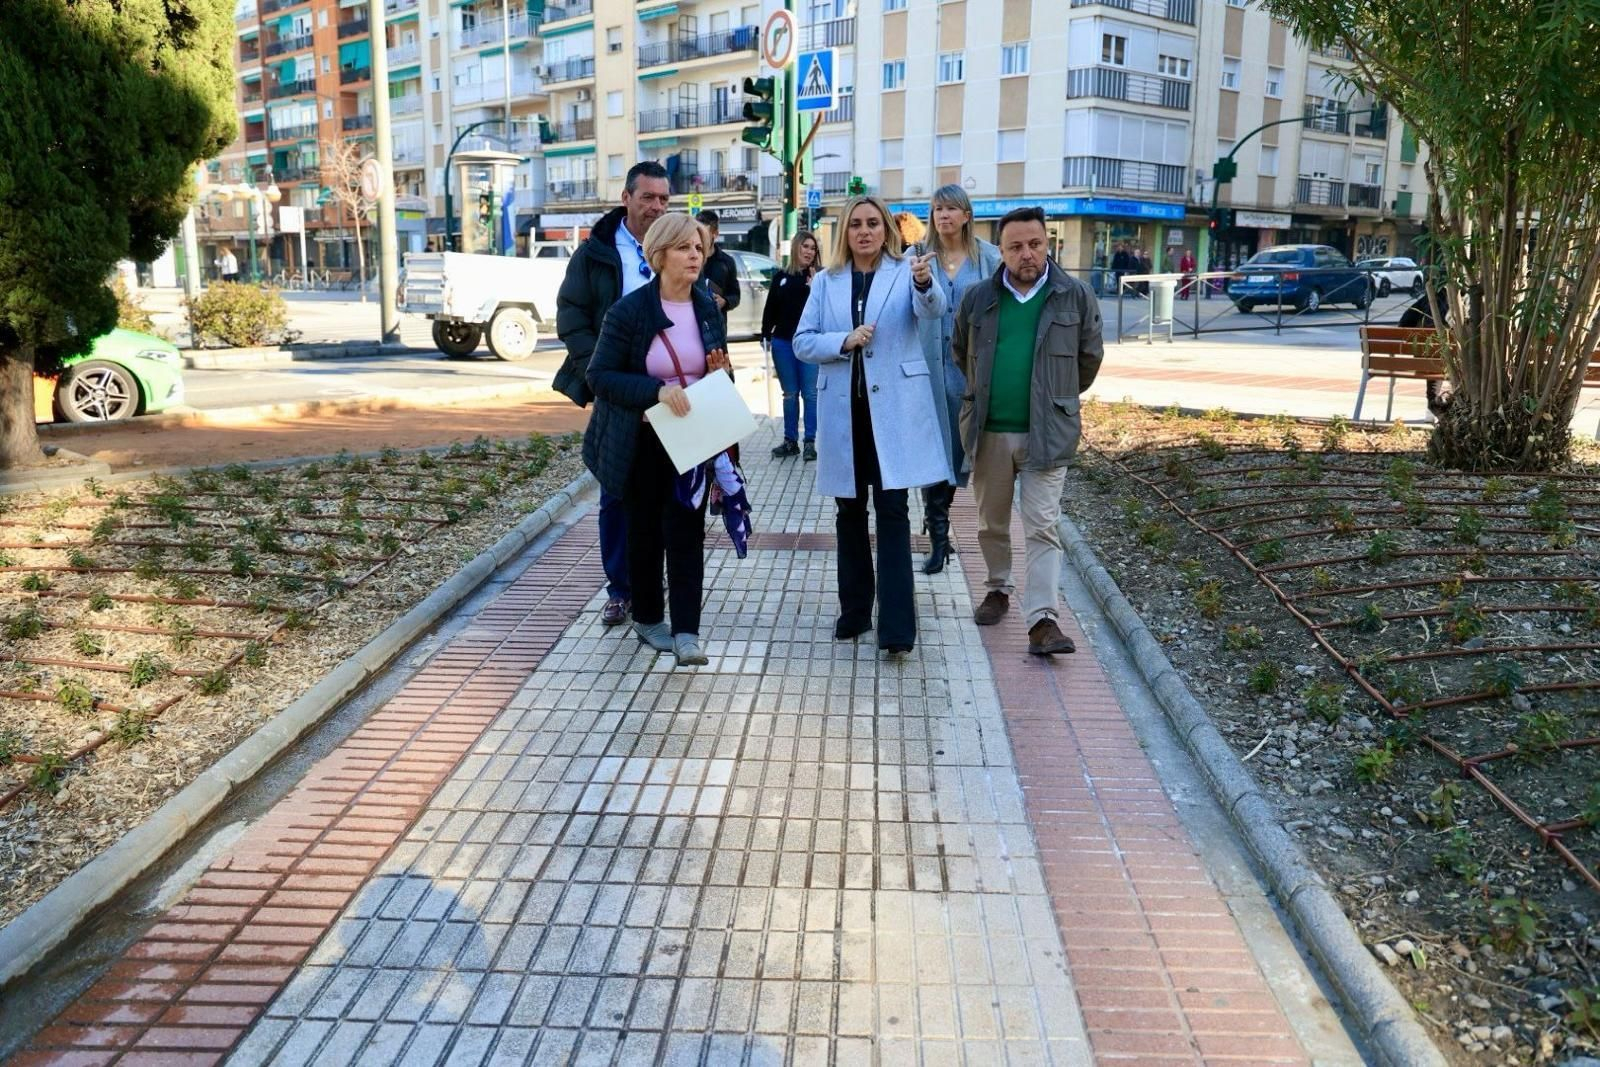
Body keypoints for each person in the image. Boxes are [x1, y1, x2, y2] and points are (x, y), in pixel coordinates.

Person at [794, 195, 948, 656]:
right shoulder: (826, 280)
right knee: (848, 514)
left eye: (873, 224)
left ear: (887, 230)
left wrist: (924, 284)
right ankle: (856, 610)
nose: (865, 231)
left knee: (894, 513)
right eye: (856, 224)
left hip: (892, 415)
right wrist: (844, 340)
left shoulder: (909, 270)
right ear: (844, 232)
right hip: (846, 415)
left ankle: (898, 626)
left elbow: (934, 309)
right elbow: (802, 341)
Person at [583, 212, 732, 668]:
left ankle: (687, 631)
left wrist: (720, 373)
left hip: (690, 435)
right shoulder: (629, 312)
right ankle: (649, 618)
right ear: (660, 254)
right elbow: (600, 376)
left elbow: (714, 368)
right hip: (641, 440)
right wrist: (656, 391)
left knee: (686, 533)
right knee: (645, 533)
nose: (696, 255)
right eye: (685, 247)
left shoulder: (707, 306)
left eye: (699, 247)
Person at [954, 206, 1104, 656]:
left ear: (1048, 244)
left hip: (1048, 434)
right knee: (991, 523)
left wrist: (1052, 400)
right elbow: (961, 352)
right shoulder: (978, 298)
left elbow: (1088, 359)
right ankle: (999, 586)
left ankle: (1042, 621)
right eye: (1016, 246)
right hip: (990, 432)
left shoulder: (1074, 296)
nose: (1027, 254)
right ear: (1000, 250)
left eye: (1034, 244)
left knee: (1042, 526)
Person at [556, 161, 671, 628]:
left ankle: (657, 582)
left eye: (664, 199)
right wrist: (596, 371)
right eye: (648, 197)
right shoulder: (596, 253)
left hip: (669, 391)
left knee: (669, 493)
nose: (657, 206)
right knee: (617, 493)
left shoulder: (675, 245)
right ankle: (621, 589)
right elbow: (571, 315)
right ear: (627, 198)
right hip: (619, 392)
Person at [916, 184, 1001, 575]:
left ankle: (943, 520)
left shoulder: (989, 259)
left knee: (960, 452)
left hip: (971, 373)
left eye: (951, 208)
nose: (944, 215)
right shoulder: (917, 256)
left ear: (967, 214)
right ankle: (937, 536)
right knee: (933, 452)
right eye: (937, 209)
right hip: (928, 369)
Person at [762, 230, 821, 461]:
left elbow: (824, 310)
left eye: (813, 248)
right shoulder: (781, 277)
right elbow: (770, 308)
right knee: (789, 394)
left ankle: (810, 442)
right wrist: (766, 333)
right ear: (796, 248)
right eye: (805, 246)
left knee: (810, 394)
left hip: (808, 343)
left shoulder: (819, 278)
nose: (809, 251)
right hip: (783, 342)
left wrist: (815, 286)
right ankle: (790, 441)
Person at [695, 210, 741, 330]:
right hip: (691, 326)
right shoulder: (688, 258)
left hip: (717, 328)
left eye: (704, 234)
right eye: (696, 233)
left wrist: (724, 302)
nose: (699, 238)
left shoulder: (726, 262)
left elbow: (735, 295)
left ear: (715, 234)